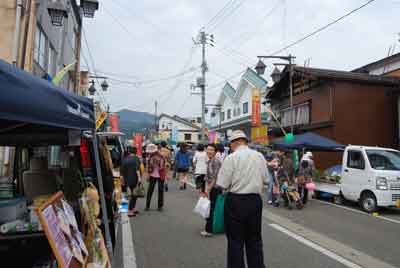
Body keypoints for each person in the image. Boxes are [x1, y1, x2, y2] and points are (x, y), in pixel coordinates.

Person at [217, 130, 268, 268]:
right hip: (254, 201)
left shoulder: (232, 158)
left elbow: (222, 183)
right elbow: (267, 180)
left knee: (235, 241)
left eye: (231, 144)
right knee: (254, 239)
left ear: (235, 143)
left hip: (235, 201)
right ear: (245, 141)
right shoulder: (259, 156)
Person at [201, 143, 222, 237]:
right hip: (212, 186)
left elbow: (215, 177)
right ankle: (212, 227)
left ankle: (209, 230)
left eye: (211, 150)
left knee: (212, 208)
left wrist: (208, 188)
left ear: (215, 151)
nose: (209, 151)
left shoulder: (215, 161)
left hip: (215, 187)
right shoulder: (210, 160)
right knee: (212, 207)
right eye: (208, 149)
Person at [120, 146, 142, 217]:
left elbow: (122, 171)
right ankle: (130, 211)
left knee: (127, 194)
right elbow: (137, 170)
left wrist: (122, 180)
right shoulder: (136, 159)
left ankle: (128, 209)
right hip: (134, 179)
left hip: (126, 179)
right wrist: (139, 178)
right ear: (135, 152)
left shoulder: (125, 159)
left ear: (129, 152)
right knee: (134, 195)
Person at [145, 144, 166, 211]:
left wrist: (157, 162)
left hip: (160, 174)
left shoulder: (161, 156)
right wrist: (148, 175)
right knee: (150, 190)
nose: (150, 153)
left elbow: (163, 166)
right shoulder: (149, 157)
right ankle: (147, 206)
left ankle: (160, 206)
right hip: (152, 174)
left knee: (160, 190)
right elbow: (148, 167)